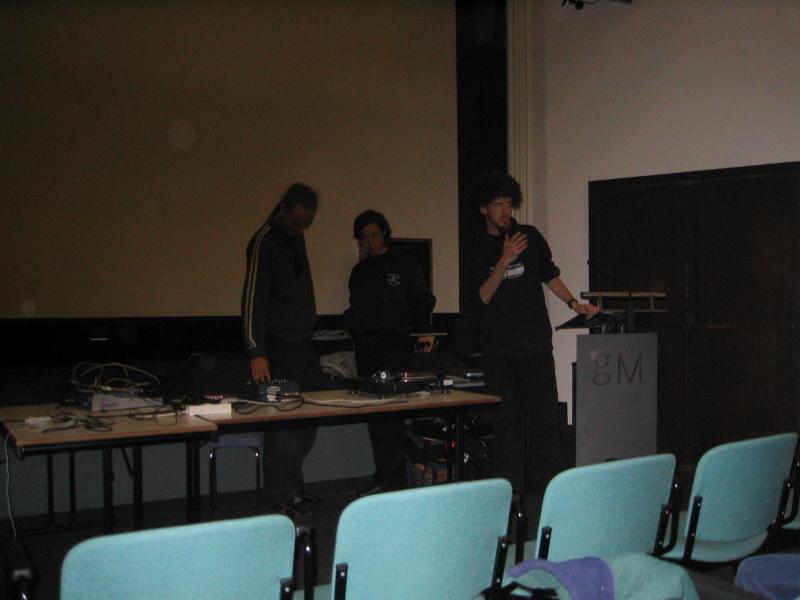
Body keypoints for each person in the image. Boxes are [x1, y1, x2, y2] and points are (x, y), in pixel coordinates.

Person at [464, 172, 599, 494]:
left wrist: (573, 303)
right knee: (506, 424)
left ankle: (553, 492)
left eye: (508, 204)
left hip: (535, 345)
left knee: (546, 421)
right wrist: (504, 260)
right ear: (484, 209)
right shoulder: (475, 246)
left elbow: (549, 275)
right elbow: (482, 296)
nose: (505, 211)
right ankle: (509, 494)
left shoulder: (530, 237)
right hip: (499, 351)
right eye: (498, 204)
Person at [241, 182, 322, 517]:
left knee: (309, 421)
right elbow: (253, 300)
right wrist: (256, 352)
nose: (301, 229)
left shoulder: (295, 236)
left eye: (307, 224)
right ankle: (279, 498)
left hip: (302, 345)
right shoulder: (265, 240)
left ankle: (292, 486)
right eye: (297, 222)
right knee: (283, 427)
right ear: (284, 209)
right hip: (276, 347)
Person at [344, 210, 436, 494]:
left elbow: (424, 299)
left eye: (374, 234)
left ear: (384, 233)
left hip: (396, 348)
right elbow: (356, 308)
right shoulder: (359, 272)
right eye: (365, 237)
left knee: (394, 415)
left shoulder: (404, 263)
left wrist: (421, 330)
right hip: (367, 350)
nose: (371, 241)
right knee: (375, 416)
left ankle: (396, 480)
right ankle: (384, 476)